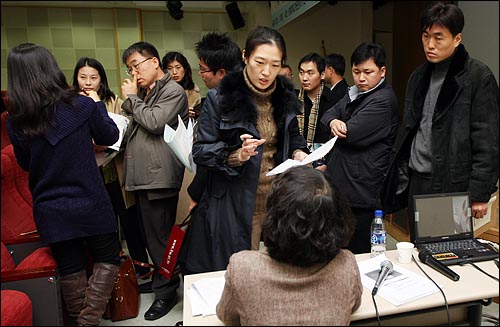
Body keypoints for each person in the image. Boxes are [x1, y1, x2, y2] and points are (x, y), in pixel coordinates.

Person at [6, 43, 121, 326]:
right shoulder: (81, 105)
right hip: (90, 199)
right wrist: (96, 104)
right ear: (51, 69)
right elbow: (109, 134)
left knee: (71, 267)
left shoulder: (15, 121)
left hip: (50, 206)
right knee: (108, 257)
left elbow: (24, 163)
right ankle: (88, 321)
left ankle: (83, 323)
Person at [187, 25, 309, 274]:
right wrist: (236, 155)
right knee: (245, 271)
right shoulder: (220, 97)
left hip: (279, 199)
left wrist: (299, 152)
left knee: (282, 269)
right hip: (239, 201)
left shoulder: (285, 97)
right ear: (245, 57)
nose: (266, 72)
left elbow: (294, 137)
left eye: (275, 65)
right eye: (260, 62)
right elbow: (201, 151)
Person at [380, 2, 499, 242]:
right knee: (418, 249)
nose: (430, 45)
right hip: (417, 180)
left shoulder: (477, 76)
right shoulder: (418, 76)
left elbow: (488, 140)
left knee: (447, 253)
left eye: (438, 37)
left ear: (457, 39)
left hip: (451, 184)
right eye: (425, 36)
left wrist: (479, 193)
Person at [216, 165, 361, 325]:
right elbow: (353, 305)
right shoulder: (346, 264)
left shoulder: (243, 268)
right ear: (337, 220)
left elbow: (227, 316)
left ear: (273, 215)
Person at [120, 41, 189, 320]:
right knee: (152, 237)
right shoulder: (148, 93)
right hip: (144, 177)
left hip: (159, 178)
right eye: (129, 68)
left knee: (161, 239)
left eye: (136, 65)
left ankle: (167, 292)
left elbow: (155, 122)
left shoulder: (173, 90)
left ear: (154, 62)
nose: (134, 73)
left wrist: (132, 98)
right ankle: (162, 281)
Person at [71, 57, 151, 279]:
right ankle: (112, 278)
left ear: (101, 79)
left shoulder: (111, 99)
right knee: (103, 229)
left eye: (93, 78)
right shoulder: (69, 103)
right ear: (76, 78)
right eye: (83, 77)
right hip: (89, 175)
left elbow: (124, 127)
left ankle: (142, 271)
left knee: (129, 222)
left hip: (115, 170)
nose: (88, 82)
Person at [321, 42, 398, 254]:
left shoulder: (383, 100)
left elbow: (350, 134)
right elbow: (328, 114)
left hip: (361, 189)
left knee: (359, 253)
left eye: (368, 72)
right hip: (343, 185)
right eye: (356, 72)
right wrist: (333, 123)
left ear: (382, 72)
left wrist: (338, 123)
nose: (361, 78)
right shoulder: (353, 92)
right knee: (339, 249)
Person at [297, 52, 338, 171]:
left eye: (310, 73)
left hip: (325, 164)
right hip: (298, 161)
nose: (304, 78)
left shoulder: (333, 100)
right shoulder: (294, 100)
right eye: (301, 72)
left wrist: (327, 164)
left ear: (322, 75)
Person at [161, 51, 202, 120]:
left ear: (185, 69)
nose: (174, 72)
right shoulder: (161, 89)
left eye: (178, 67)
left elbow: (199, 116)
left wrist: (192, 114)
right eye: (170, 68)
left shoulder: (193, 91)